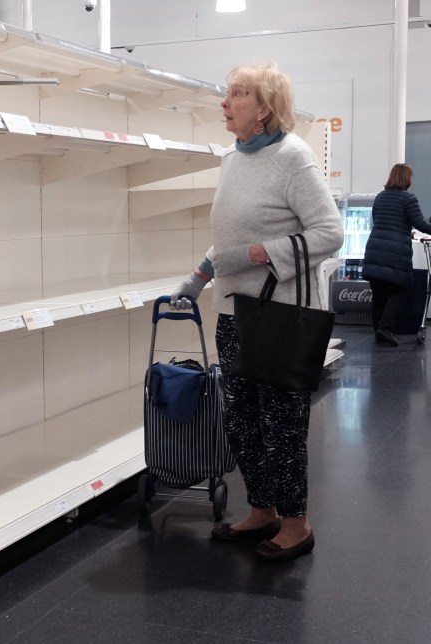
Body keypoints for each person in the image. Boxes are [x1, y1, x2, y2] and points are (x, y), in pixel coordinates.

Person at [169, 62, 343, 562]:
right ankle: (263, 510)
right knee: (241, 421)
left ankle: (297, 524)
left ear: (264, 107)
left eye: (238, 94)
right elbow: (228, 237)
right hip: (233, 313)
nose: (225, 103)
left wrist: (257, 255)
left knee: (281, 424)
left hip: (282, 316)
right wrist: (199, 277)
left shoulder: (294, 158)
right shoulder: (232, 159)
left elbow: (330, 233)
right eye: (227, 93)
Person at [361, 163, 431, 346]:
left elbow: (379, 221)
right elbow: (420, 223)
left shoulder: (380, 197)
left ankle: (378, 330)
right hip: (395, 252)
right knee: (401, 289)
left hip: (375, 248)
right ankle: (386, 328)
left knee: (379, 291)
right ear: (406, 178)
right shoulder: (408, 198)